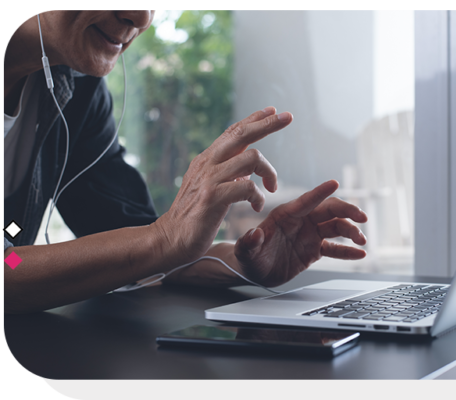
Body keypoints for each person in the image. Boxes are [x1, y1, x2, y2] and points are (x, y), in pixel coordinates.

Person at [3, 11, 368, 314]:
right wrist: (160, 240)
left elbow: (131, 243)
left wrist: (241, 261)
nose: (141, 17)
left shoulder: (75, 88)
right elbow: (9, 268)